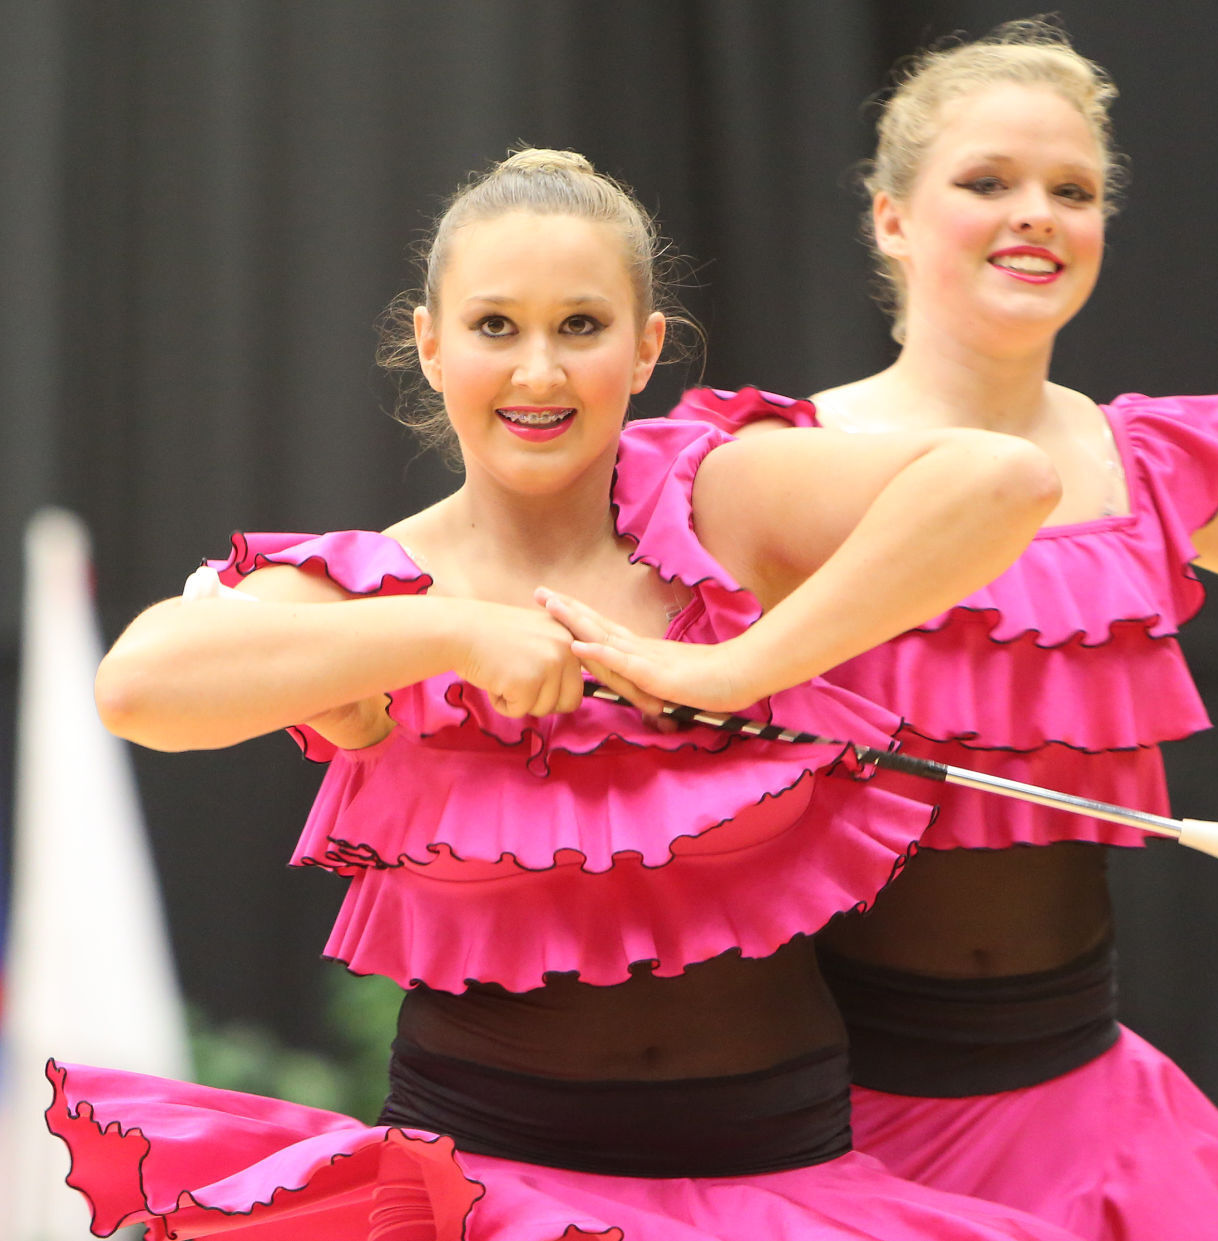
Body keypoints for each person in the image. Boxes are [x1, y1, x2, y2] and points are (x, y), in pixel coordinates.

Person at [47, 147, 1094, 1241]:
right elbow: (137, 687)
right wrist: (449, 629)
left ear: (646, 348)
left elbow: (1005, 481)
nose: (538, 373)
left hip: (780, 1181)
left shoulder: (721, 503)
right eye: (496, 326)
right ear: (431, 343)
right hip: (486, 1185)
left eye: (581, 328)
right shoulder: (365, 585)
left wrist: (737, 666)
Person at [669, 19, 1218, 1241]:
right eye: (986, 183)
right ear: (891, 219)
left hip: (1080, 1108)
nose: (1035, 214)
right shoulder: (774, 463)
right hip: (821, 1125)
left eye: (1070, 191)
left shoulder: (1149, 462)